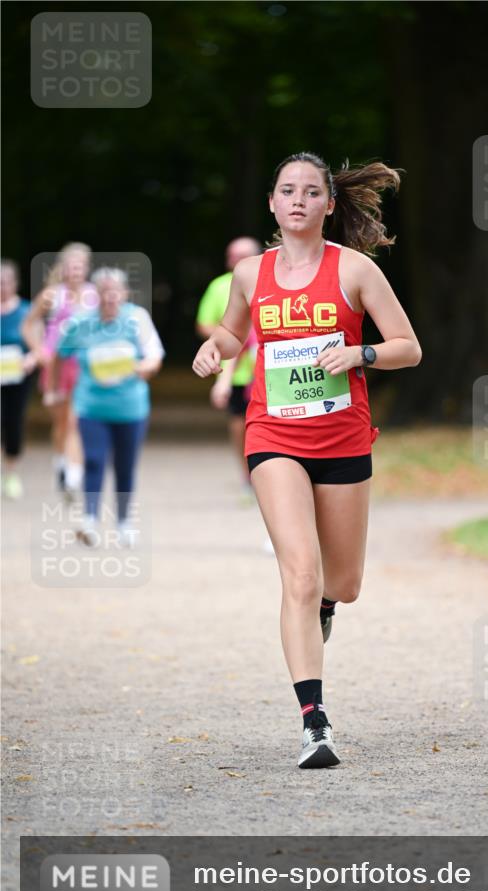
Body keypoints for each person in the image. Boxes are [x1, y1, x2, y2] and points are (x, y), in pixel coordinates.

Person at [193, 151, 422, 769]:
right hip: (274, 435)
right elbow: (234, 334)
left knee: (341, 584)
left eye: (311, 191)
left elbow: (409, 347)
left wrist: (360, 357)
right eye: (287, 190)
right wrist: (214, 351)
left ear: (328, 204)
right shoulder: (250, 273)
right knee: (300, 571)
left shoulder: (356, 271)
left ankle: (324, 606)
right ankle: (313, 722)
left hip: (343, 438)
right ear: (272, 203)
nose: (298, 200)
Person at [52, 268, 164, 546]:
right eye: (104, 291)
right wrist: (55, 389)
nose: (110, 297)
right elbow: (59, 354)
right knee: (94, 460)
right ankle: (89, 520)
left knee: (125, 466)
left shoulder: (137, 319)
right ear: (96, 294)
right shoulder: (80, 323)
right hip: (92, 407)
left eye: (115, 291)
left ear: (125, 294)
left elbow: (155, 356)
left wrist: (143, 367)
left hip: (131, 409)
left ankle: (124, 523)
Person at [22, 242, 98, 500]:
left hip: (84, 365)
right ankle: (61, 464)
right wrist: (39, 351)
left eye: (80, 267)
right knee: (62, 423)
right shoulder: (52, 295)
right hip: (56, 366)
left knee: (76, 421)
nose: (76, 272)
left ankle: (73, 477)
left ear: (86, 269)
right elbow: (28, 324)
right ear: (64, 269)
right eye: (71, 267)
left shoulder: (95, 295)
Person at [196, 237, 262, 489]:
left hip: (268, 371)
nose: (237, 260)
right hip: (236, 372)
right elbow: (204, 325)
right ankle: (247, 474)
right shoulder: (219, 286)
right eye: (233, 255)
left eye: (242, 255)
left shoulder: (273, 279)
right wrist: (232, 333)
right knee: (239, 424)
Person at [0, 260, 39, 499]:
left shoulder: (27, 311)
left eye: (5, 282)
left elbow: (40, 346)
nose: (2, 287)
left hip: (17, 377)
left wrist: (31, 359)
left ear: (15, 283)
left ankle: (11, 473)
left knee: (12, 423)